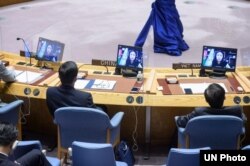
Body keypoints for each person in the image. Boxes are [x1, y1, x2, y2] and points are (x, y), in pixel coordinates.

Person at [176, 83, 246, 128]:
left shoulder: (199, 112)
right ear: (224, 97)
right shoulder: (236, 110)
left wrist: (177, 118)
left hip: (202, 145)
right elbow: (243, 121)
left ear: (206, 100)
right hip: (228, 145)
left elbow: (181, 122)